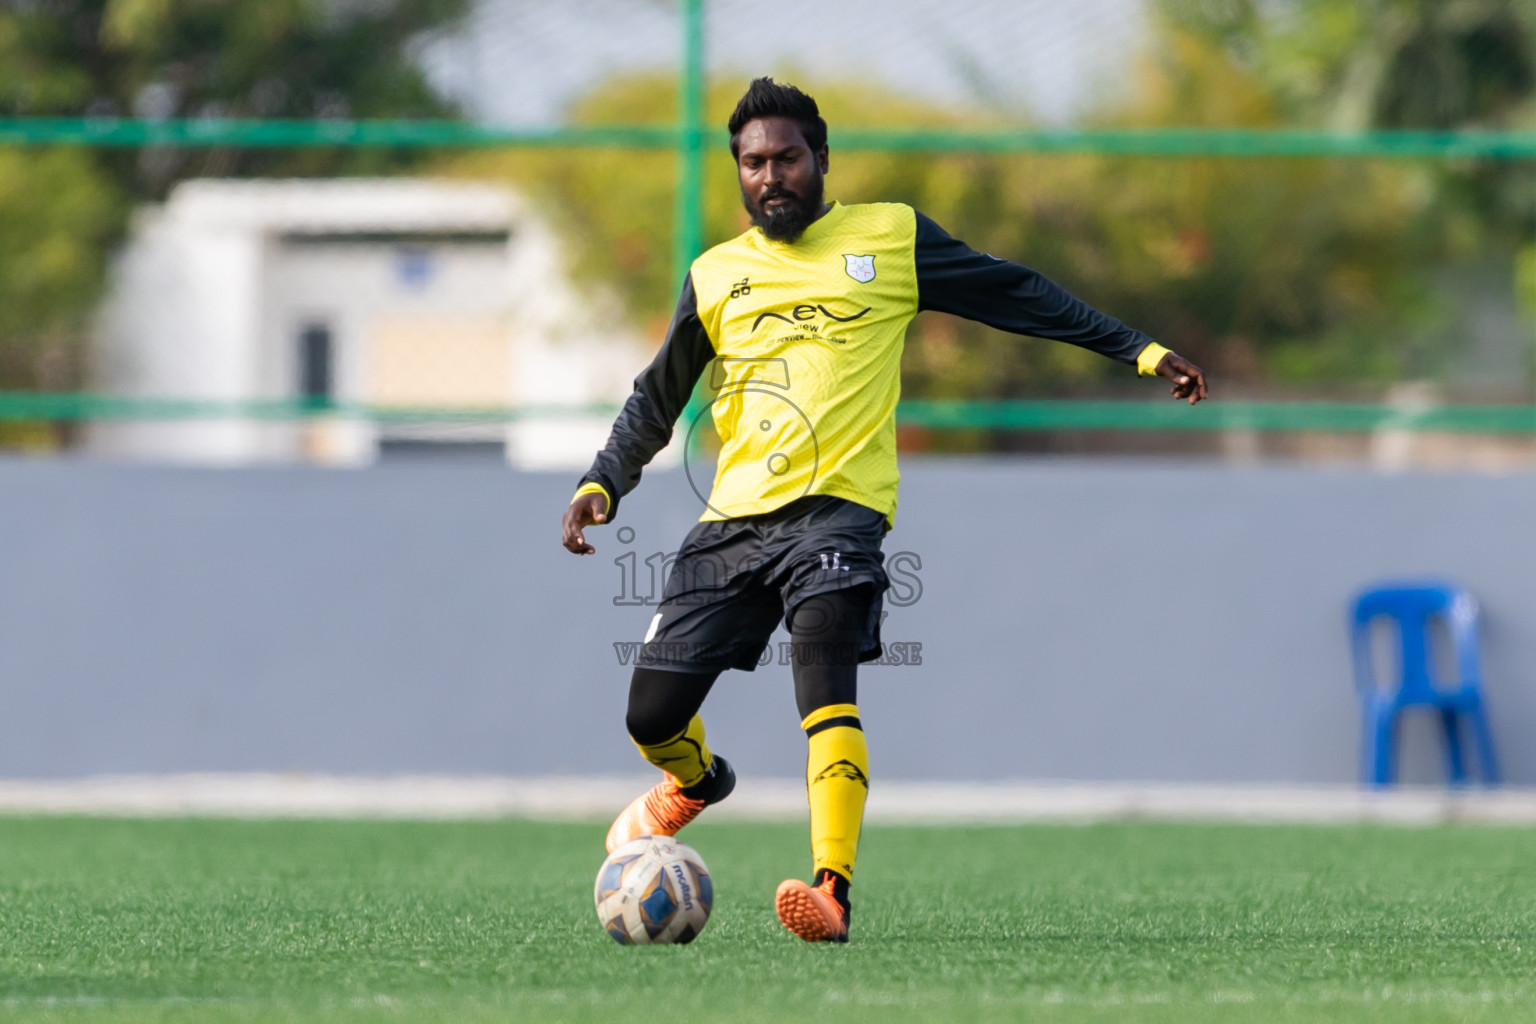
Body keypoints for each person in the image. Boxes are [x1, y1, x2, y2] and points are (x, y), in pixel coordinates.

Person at [561, 77, 1208, 944]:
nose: (771, 176)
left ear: (821, 160)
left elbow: (1017, 293)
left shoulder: (889, 236)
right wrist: (602, 481)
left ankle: (832, 890)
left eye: (787, 158)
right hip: (730, 525)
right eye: (753, 163)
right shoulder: (716, 276)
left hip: (840, 515)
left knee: (825, 682)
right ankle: (698, 783)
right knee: (650, 717)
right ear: (739, 174)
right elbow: (657, 397)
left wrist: (1140, 349)